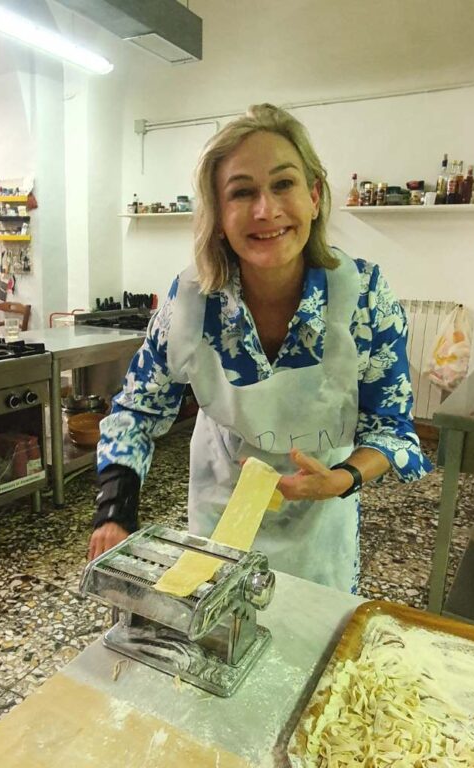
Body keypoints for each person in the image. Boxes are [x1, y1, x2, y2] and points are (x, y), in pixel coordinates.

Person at [89, 104, 432, 592]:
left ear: (314, 196)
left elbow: (392, 430)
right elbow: (137, 412)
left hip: (319, 512)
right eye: (242, 192)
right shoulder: (193, 304)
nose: (265, 210)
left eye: (284, 185)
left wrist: (342, 479)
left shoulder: (362, 298)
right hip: (221, 505)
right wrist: (115, 510)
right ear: (219, 215)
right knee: (219, 627)